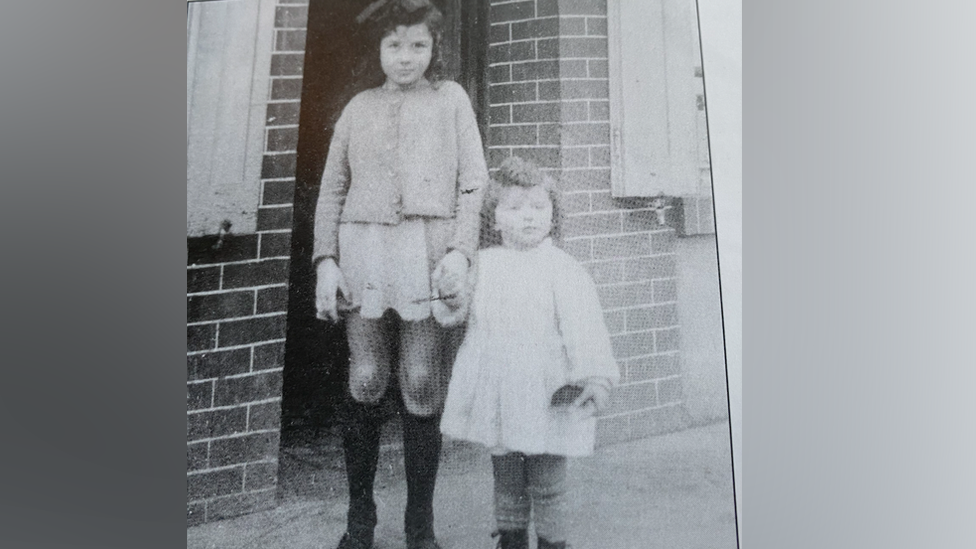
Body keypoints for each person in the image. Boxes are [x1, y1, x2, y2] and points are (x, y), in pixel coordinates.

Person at [312, 1, 488, 548]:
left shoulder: (451, 100)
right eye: (394, 45)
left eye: (418, 45)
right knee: (366, 379)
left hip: (428, 251)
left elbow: (472, 183)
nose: (406, 57)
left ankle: (420, 526)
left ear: (434, 48)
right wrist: (325, 261)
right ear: (377, 50)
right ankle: (359, 522)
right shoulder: (358, 107)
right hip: (364, 250)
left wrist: (461, 252)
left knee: (418, 382)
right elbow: (331, 191)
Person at [439, 157, 621, 549]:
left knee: (548, 480)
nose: (528, 218)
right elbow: (455, 311)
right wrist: (451, 294)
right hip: (500, 394)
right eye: (514, 208)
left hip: (547, 390)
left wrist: (595, 377)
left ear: (554, 213)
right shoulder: (483, 265)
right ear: (494, 217)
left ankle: (554, 542)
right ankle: (511, 539)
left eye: (539, 207)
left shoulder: (563, 269)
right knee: (507, 478)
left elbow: (585, 327)